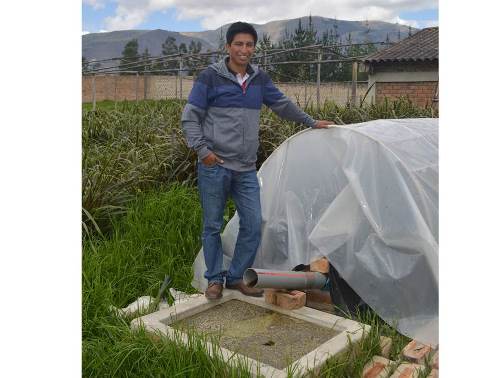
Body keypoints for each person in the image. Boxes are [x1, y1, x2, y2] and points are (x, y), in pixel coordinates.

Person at [181, 21, 333, 300]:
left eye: (249, 44)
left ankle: (236, 276)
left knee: (254, 222)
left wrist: (311, 122)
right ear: (228, 47)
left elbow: (282, 104)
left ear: (254, 48)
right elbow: (190, 117)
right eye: (238, 44)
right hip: (214, 166)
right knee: (213, 225)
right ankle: (215, 279)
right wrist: (204, 152)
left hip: (245, 168)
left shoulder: (258, 79)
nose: (244, 49)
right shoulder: (209, 77)